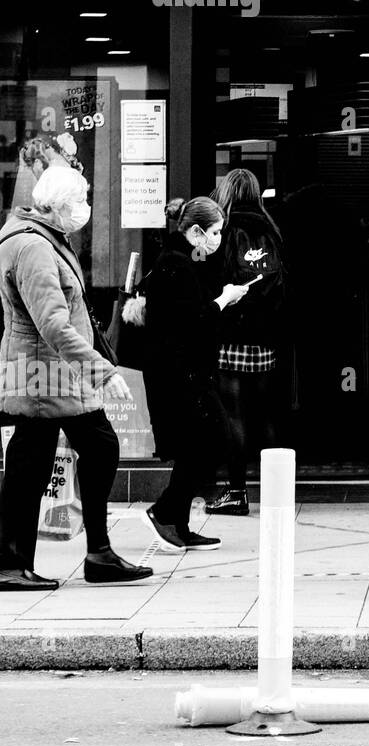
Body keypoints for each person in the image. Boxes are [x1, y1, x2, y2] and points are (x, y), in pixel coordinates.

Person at [0, 161, 152, 588]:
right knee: (49, 458)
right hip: (46, 375)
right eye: (80, 202)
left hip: (51, 373)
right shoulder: (33, 248)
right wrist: (101, 371)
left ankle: (88, 554)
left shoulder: (42, 239)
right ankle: (19, 562)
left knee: (46, 457)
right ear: (56, 206)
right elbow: (53, 323)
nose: (85, 210)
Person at [142, 197, 253, 551]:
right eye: (215, 231)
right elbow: (192, 321)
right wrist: (224, 300)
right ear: (195, 231)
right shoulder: (174, 265)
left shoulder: (186, 260)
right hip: (179, 373)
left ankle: (178, 522)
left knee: (200, 443)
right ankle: (165, 511)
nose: (219, 238)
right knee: (209, 440)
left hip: (186, 371)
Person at [205, 169, 289, 517]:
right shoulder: (271, 228)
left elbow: (214, 278)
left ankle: (237, 491)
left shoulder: (223, 229)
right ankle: (276, 490)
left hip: (231, 333)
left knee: (234, 413)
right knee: (265, 413)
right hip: (264, 334)